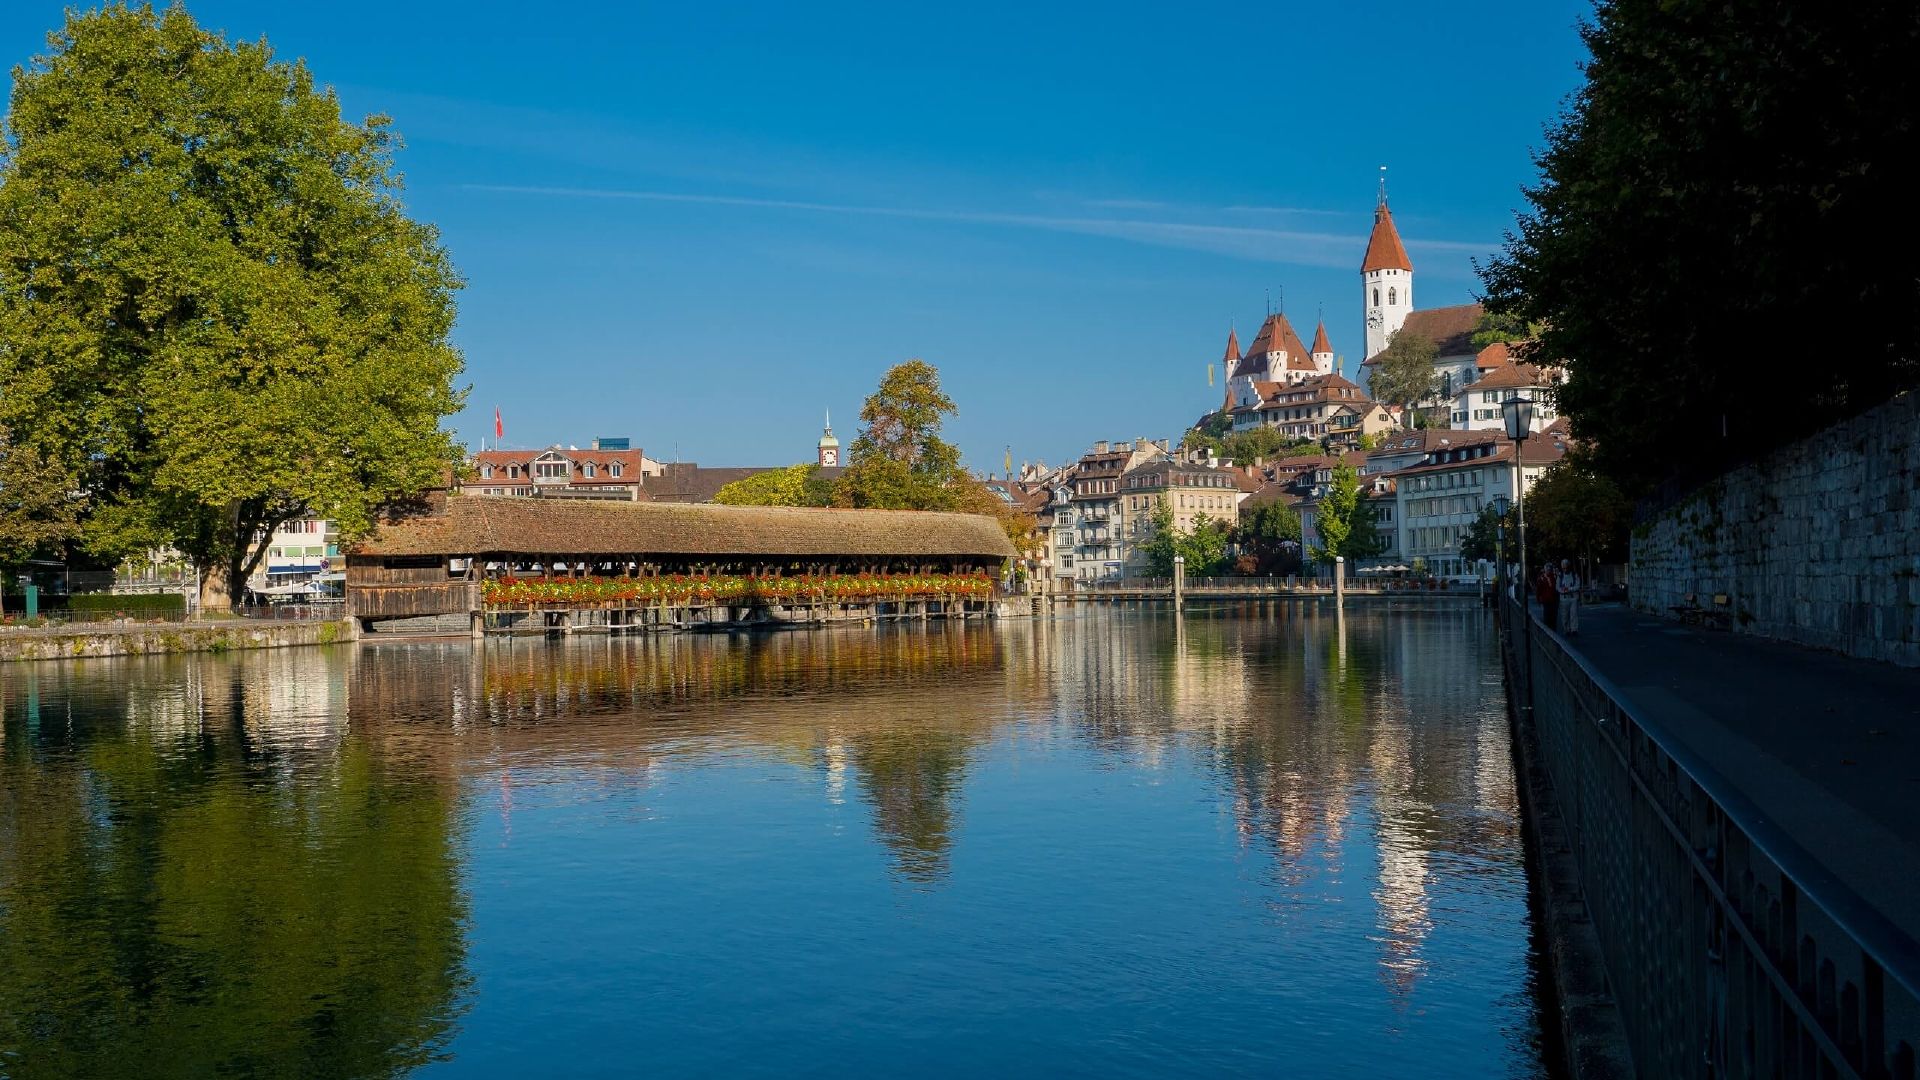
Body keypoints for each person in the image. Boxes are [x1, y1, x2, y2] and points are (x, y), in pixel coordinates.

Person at [1556, 559, 1581, 635]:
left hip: (1573, 597)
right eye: (1563, 568)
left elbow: (1577, 585)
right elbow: (1557, 587)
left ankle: (1574, 629)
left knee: (1574, 614)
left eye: (1566, 567)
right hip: (1564, 598)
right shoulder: (1560, 576)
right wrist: (1563, 590)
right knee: (1565, 615)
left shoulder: (1574, 574)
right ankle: (1566, 629)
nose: (1565, 569)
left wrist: (1570, 589)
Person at [1534, 564, 1560, 631]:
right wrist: (1538, 599)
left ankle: (1553, 630)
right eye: (1547, 569)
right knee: (1547, 615)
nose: (1548, 570)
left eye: (1550, 569)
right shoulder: (1541, 578)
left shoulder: (1555, 577)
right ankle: (1547, 630)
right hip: (1546, 600)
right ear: (1544, 570)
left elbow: (1557, 587)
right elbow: (1538, 590)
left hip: (1554, 600)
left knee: (1554, 615)